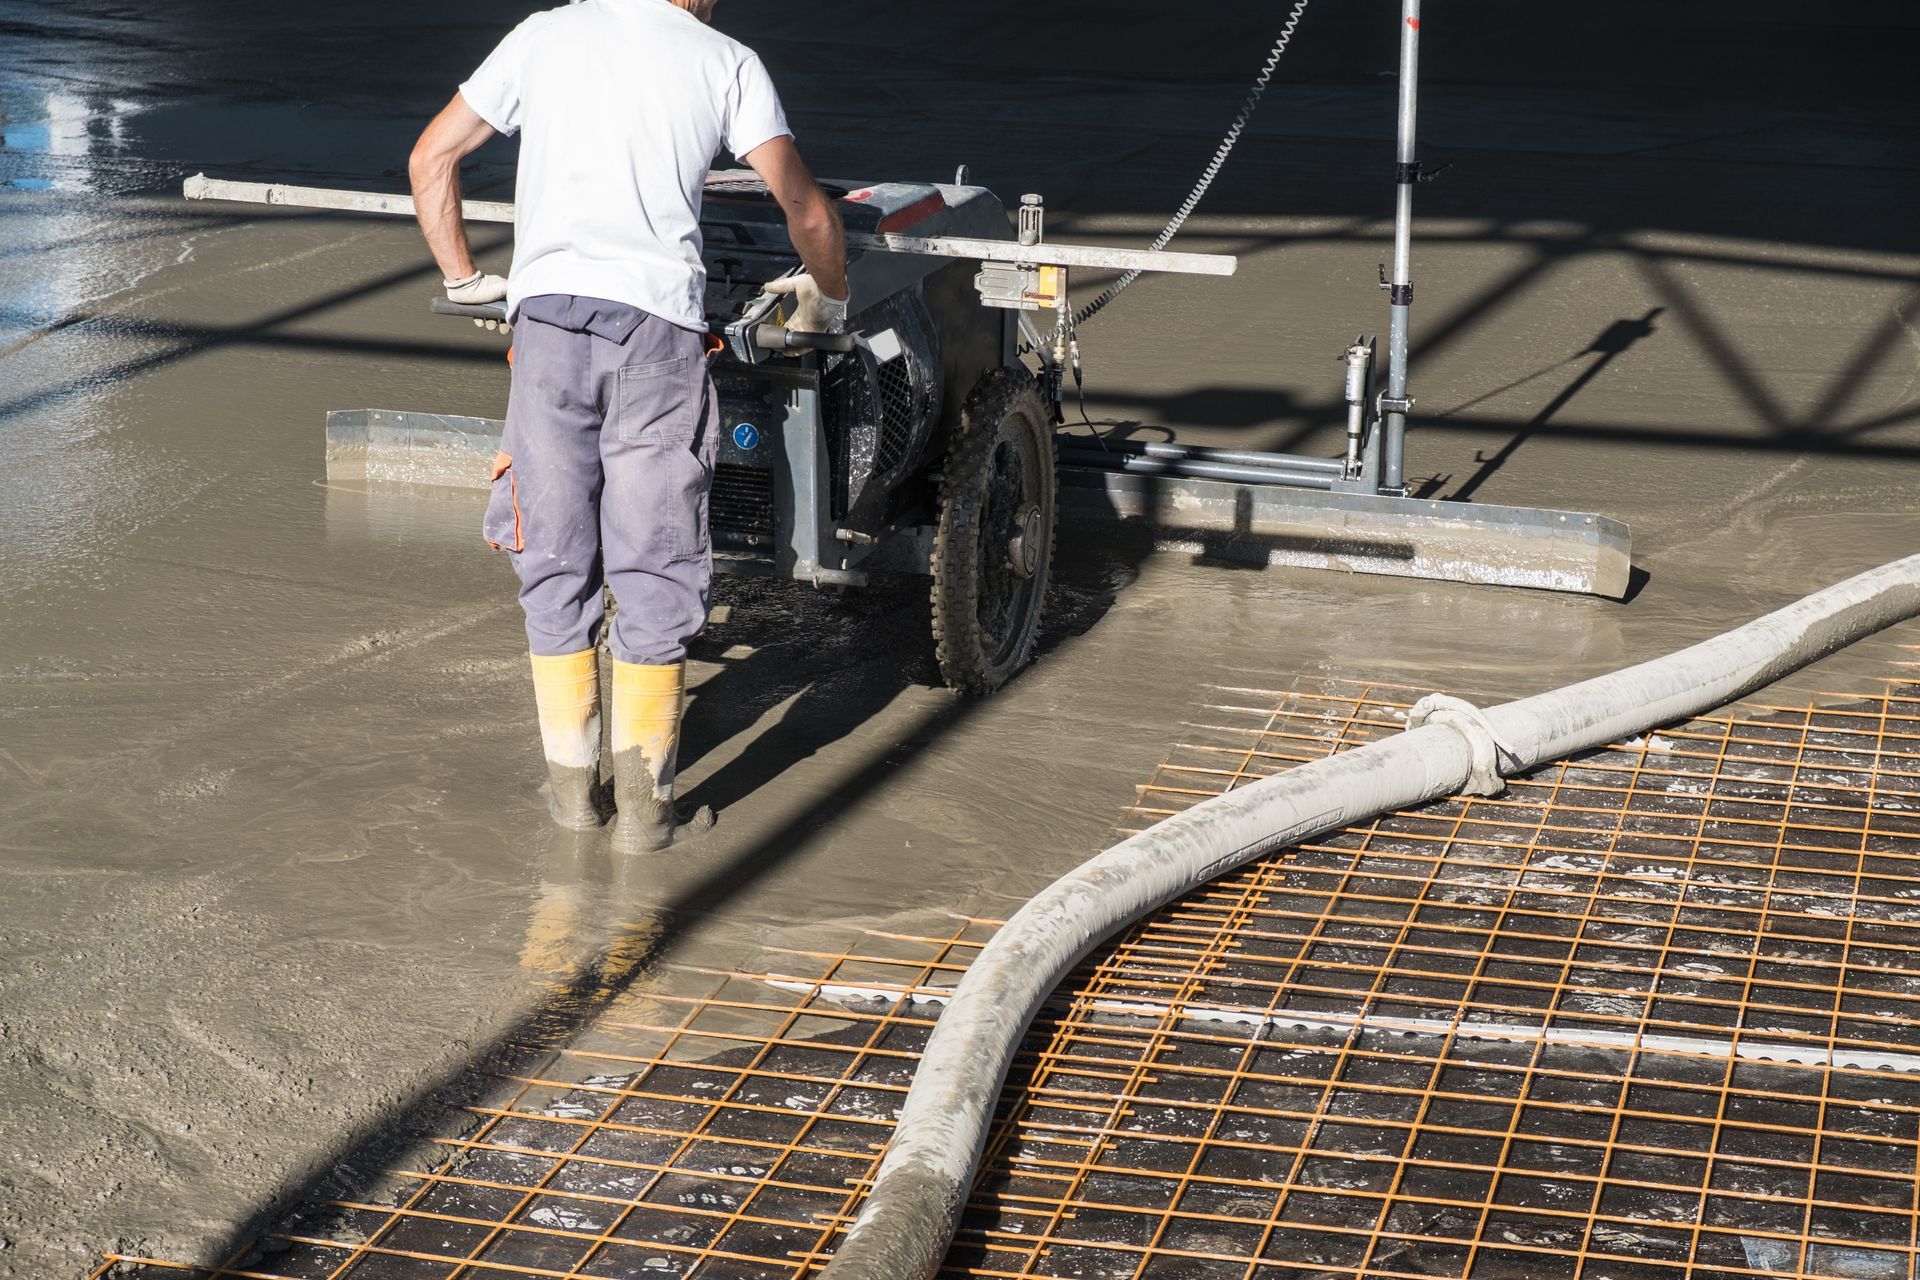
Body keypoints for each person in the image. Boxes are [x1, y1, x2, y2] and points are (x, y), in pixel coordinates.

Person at [407, 0, 848, 852]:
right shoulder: (725, 60)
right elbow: (811, 213)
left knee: (555, 549)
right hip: (658, 332)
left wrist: (466, 279)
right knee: (655, 554)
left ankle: (574, 800)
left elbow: (432, 158)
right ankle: (647, 818)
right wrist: (827, 303)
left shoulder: (541, 35)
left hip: (547, 328)